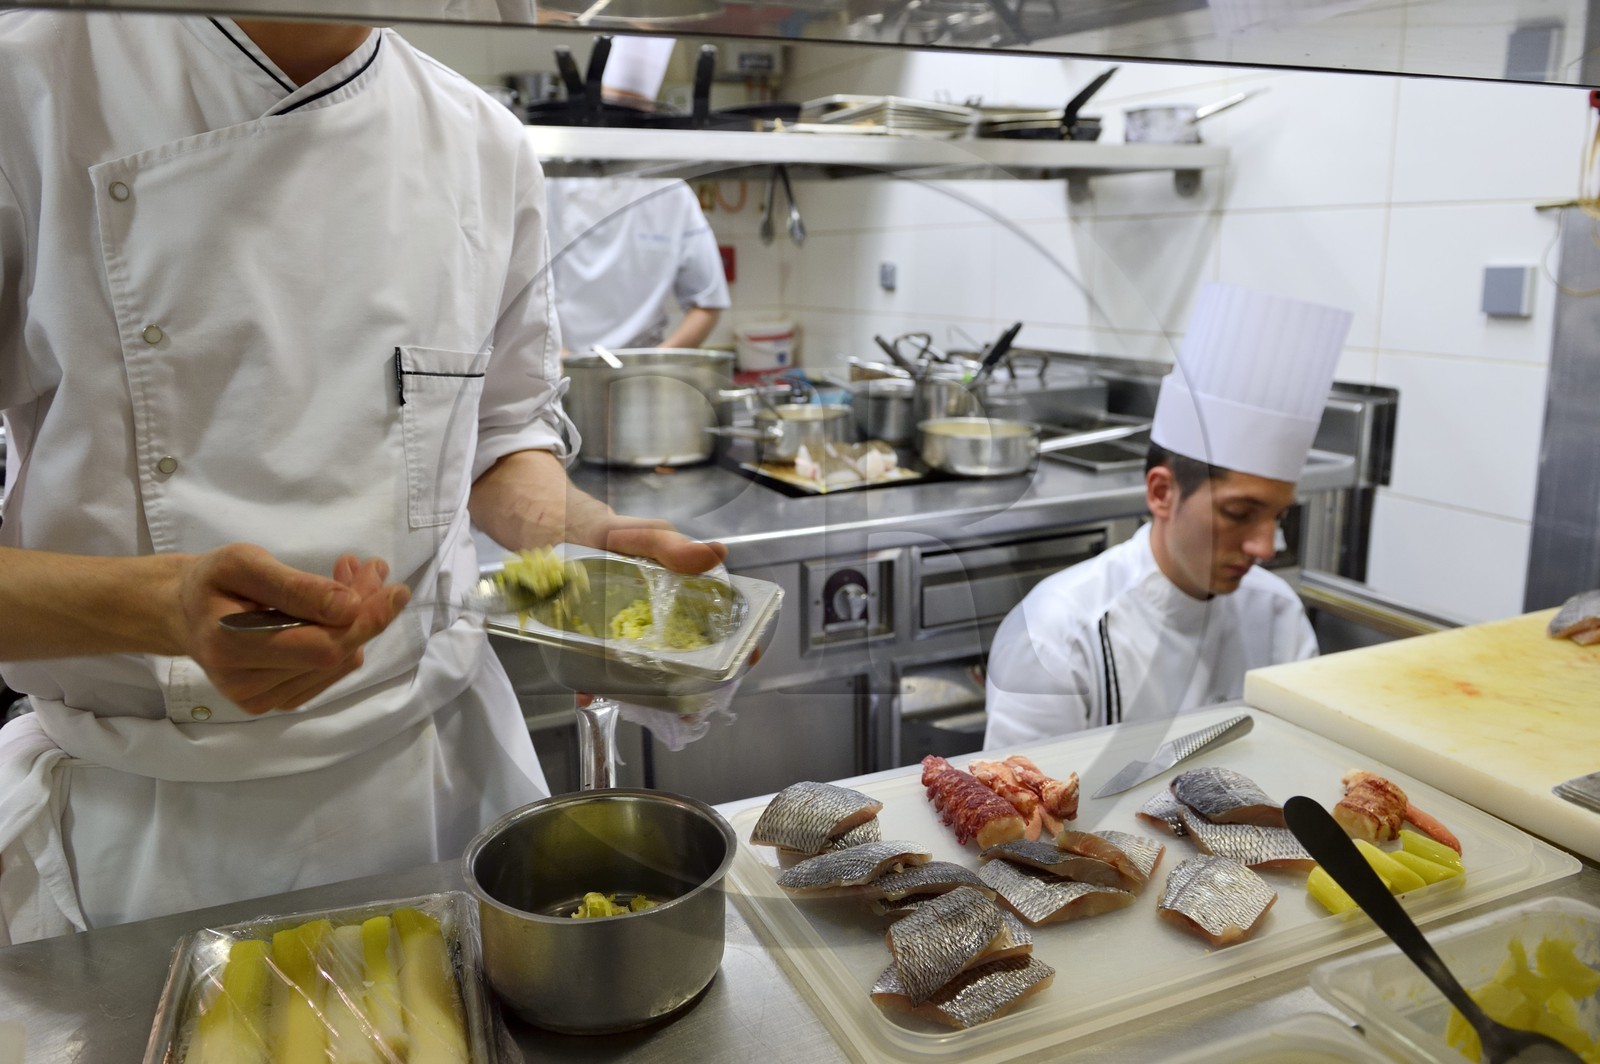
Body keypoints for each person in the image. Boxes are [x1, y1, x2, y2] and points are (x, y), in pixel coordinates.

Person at [0, 12, 725, 943]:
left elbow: (501, 435)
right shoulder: (34, 88)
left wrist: (583, 533)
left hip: (440, 791)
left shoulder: (481, 141)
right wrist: (154, 607)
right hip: (151, 836)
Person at [983, 283, 1352, 747]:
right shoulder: (1054, 634)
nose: (1265, 546)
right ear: (1161, 492)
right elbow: (1021, 805)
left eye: (1277, 517)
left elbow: (1296, 758)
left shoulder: (1278, 613)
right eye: (1239, 512)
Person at [545, 36, 730, 354]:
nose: (619, 128)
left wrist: (654, 366)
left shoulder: (671, 191)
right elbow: (520, 291)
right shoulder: (552, 184)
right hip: (556, 371)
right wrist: (555, 359)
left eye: (632, 116)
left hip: (643, 374)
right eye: (612, 113)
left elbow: (708, 302)